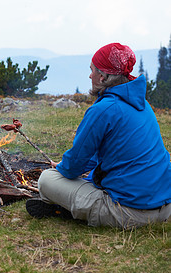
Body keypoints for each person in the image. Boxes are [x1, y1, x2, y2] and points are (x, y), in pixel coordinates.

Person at [26, 43, 171, 229]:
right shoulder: (142, 104)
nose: (90, 76)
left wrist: (62, 168)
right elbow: (105, 152)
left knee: (47, 179)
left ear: (102, 77)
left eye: (92, 70)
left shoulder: (103, 110)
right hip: (165, 206)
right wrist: (67, 166)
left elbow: (73, 166)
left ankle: (65, 210)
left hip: (128, 212)